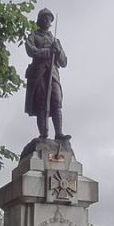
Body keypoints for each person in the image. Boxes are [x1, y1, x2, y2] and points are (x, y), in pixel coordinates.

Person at [25, 8, 71, 141]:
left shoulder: (55, 40)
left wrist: (58, 51)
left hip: (53, 73)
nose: (47, 20)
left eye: (49, 19)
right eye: (44, 18)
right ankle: (43, 134)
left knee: (56, 101)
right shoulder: (33, 36)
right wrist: (47, 52)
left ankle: (59, 134)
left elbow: (64, 62)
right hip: (38, 73)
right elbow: (31, 50)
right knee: (41, 103)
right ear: (39, 20)